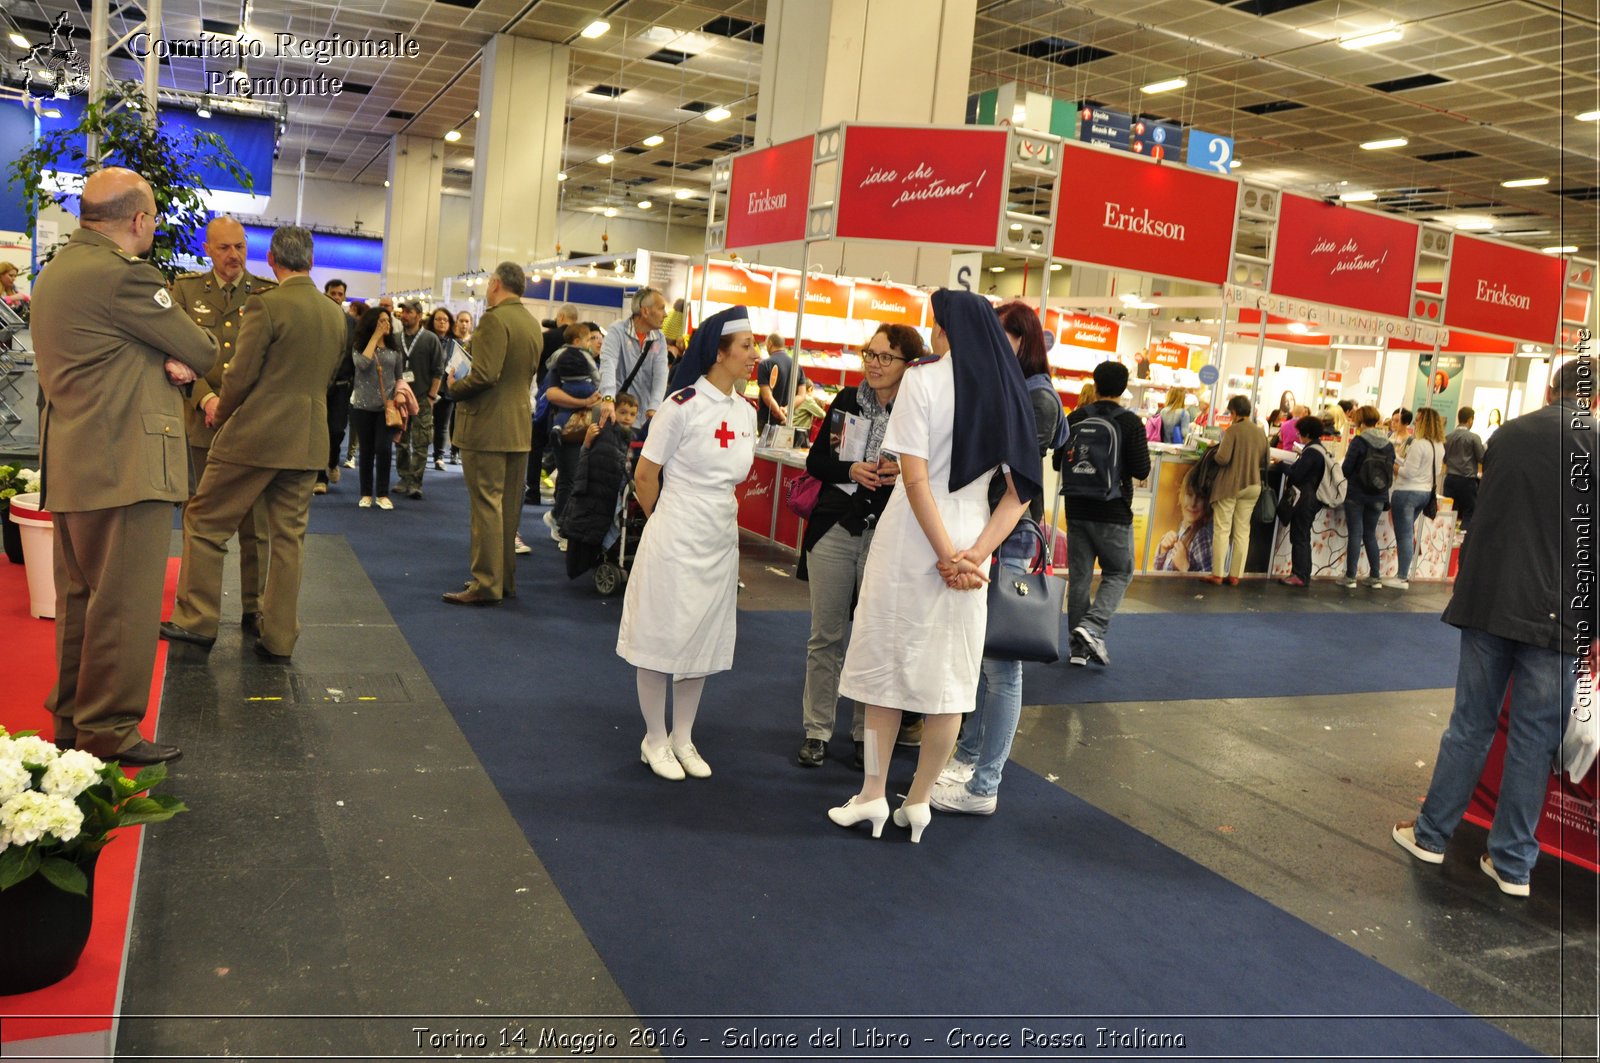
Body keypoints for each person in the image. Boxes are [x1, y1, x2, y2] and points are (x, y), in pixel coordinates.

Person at [827, 289, 1040, 843]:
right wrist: (976, 553)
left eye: (937, 324)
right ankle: (918, 802)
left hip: (912, 536)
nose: (935, 333)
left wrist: (945, 553)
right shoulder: (1008, 387)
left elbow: (915, 478)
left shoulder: (923, 381)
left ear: (949, 328)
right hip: (970, 533)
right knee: (949, 680)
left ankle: (873, 794)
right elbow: (1021, 493)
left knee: (883, 673)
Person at [32, 167, 216, 765]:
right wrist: (178, 359)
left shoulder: (57, 271)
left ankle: (71, 718)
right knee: (125, 605)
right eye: (154, 216)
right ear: (138, 220)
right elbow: (204, 349)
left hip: (76, 460)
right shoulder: (125, 279)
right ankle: (109, 729)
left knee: (82, 600)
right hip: (126, 464)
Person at [1392, 358, 1594, 898]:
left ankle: (1432, 835)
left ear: (1552, 389)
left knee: (1471, 724)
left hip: (1490, 602)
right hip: (1559, 617)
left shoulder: (1507, 435)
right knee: (1535, 739)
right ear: (1594, 400)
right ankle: (1513, 865)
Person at [160, 227, 347, 661]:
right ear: (312, 262)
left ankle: (197, 620)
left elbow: (241, 376)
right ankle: (279, 635)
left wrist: (220, 416)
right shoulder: (335, 313)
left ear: (272, 259)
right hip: (307, 440)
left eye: (240, 247)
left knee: (204, 521)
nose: (233, 254)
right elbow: (331, 375)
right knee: (288, 538)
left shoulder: (266, 304)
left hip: (253, 437)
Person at [617, 306, 760, 781]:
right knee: (661, 633)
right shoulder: (681, 406)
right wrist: (666, 520)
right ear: (718, 352)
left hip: (720, 535)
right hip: (676, 530)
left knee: (702, 638)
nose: (754, 355)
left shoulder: (746, 412)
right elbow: (644, 475)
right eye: (745, 346)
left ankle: (684, 737)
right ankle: (654, 738)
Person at [931, 300, 1061, 816]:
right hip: (988, 535)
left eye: (1002, 334)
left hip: (1007, 540)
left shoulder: (1036, 398)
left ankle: (985, 784)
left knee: (1002, 666)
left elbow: (1014, 483)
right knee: (983, 661)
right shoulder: (1017, 390)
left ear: (1023, 340)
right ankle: (967, 758)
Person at [796, 324, 921, 770]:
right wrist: (853, 470)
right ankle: (816, 731)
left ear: (908, 364)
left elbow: (931, 475)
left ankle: (865, 734)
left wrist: (901, 475)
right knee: (824, 635)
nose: (874, 363)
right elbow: (817, 461)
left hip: (889, 533)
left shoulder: (916, 410)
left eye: (885, 356)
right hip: (834, 527)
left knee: (873, 637)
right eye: (870, 353)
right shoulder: (847, 401)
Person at [169, 216, 275, 633]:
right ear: (208, 250)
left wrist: (235, 403)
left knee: (256, 522)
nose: (234, 255)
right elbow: (175, 350)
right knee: (200, 518)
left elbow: (268, 361)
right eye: (225, 248)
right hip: (202, 422)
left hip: (249, 425)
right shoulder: (186, 290)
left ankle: (255, 607)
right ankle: (196, 613)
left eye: (240, 247)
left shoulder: (268, 293)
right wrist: (207, 397)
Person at [443, 261, 538, 605]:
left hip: (486, 427)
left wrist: (454, 386)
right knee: (508, 509)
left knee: (486, 506)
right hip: (518, 426)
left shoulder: (495, 320)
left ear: (496, 283)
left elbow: (484, 376)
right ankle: (504, 580)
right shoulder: (530, 323)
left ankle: (485, 584)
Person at [1064, 361, 1151, 667]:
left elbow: (1056, 464)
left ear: (1095, 383)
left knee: (1079, 577)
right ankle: (1092, 627)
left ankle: (1078, 650)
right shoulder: (1130, 423)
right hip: (1113, 509)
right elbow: (1142, 469)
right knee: (1119, 571)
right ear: (1124, 387)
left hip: (1075, 507)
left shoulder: (1075, 417)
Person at [544, 322, 603, 529]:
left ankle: (560, 517)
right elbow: (552, 394)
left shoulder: (600, 366)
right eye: (593, 338)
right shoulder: (566, 360)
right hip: (570, 431)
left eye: (598, 338)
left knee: (579, 479)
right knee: (570, 478)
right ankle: (562, 524)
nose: (598, 342)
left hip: (591, 428)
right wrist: (584, 402)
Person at [1204, 395, 1268, 586]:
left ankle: (1217, 574)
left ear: (1234, 412)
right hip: (1253, 485)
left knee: (1222, 529)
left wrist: (1213, 450)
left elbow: (1222, 459)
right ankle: (1235, 575)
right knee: (1242, 531)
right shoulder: (1260, 432)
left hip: (1231, 485)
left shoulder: (1232, 431)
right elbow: (1264, 459)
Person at [348, 306, 403, 509]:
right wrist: (375, 337)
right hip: (362, 406)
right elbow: (362, 364)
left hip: (386, 407)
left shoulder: (394, 348)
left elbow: (399, 376)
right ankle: (365, 493)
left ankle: (382, 493)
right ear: (372, 323)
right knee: (367, 450)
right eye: (381, 320)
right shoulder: (359, 345)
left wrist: (399, 394)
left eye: (387, 320)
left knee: (384, 448)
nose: (386, 324)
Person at [1387, 405, 1445, 590]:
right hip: (1425, 493)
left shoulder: (1419, 444)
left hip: (1407, 492)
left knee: (1404, 534)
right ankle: (1403, 573)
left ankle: (1402, 576)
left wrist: (1392, 464)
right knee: (1408, 533)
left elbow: (1408, 472)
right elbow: (1430, 471)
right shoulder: (1439, 446)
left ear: (1424, 422)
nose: (1415, 421)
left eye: (1418, 419)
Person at [393, 300, 445, 500]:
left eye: (409, 312)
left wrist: (432, 397)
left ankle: (416, 482)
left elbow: (438, 371)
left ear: (419, 315)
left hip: (422, 398)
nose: (404, 315)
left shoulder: (430, 339)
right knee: (401, 441)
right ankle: (403, 478)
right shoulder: (396, 339)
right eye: (403, 311)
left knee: (421, 442)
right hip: (400, 398)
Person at [1340, 405, 1396, 588]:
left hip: (1357, 493)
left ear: (1361, 422)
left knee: (1355, 533)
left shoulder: (1358, 441)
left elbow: (1346, 468)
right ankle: (1375, 577)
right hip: (1379, 495)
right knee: (1370, 534)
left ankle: (1350, 577)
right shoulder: (1388, 444)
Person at [597, 287, 668, 427]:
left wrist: (654, 407)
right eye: (661, 308)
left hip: (643, 418)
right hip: (616, 414)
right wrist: (608, 397)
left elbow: (661, 374)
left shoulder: (659, 338)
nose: (665, 314)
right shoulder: (617, 331)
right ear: (645, 311)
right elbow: (608, 363)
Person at [315, 278, 356, 495]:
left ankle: (332, 462)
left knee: (337, 430)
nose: (337, 297)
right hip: (320, 383)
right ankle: (320, 477)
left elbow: (356, 354)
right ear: (326, 293)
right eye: (333, 293)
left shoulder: (351, 323)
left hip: (343, 385)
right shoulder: (317, 319)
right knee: (320, 430)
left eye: (340, 294)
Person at [1280, 414, 1328, 587]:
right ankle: (1303, 574)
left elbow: (1297, 474)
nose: (1299, 436)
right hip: (1313, 499)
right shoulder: (1320, 449)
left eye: (1300, 433)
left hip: (1304, 499)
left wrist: (1281, 465)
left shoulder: (1311, 452)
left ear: (1306, 433)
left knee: (1299, 536)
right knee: (1304, 536)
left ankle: (1299, 574)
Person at [1153, 465, 1213, 575]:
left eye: (1200, 497)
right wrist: (1163, 550)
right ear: (1181, 495)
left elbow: (1207, 589)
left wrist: (1185, 567)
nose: (1193, 503)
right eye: (1189, 494)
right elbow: (1158, 572)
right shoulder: (1183, 527)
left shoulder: (1202, 537)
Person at [430, 307, 463, 469]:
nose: (442, 322)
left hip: (447, 390)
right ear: (432, 321)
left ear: (450, 323)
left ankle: (439, 456)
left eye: (445, 319)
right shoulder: (427, 338)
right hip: (428, 389)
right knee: (422, 424)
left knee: (442, 425)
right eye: (438, 319)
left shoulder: (456, 343)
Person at [1443, 406, 1486, 529]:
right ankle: (1463, 539)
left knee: (1448, 511)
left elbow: (1444, 458)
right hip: (1467, 479)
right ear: (1470, 420)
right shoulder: (1474, 438)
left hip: (1450, 478)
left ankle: (1445, 538)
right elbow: (1481, 457)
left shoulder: (1448, 437)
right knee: (1469, 511)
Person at [757, 333, 799, 432]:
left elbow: (767, 396)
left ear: (770, 344)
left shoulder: (765, 364)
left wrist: (779, 414)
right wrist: (786, 410)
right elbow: (802, 395)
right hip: (787, 419)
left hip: (767, 420)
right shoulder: (796, 365)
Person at [540, 303, 578, 387]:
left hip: (546, 386)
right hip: (571, 387)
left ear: (561, 316)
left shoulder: (546, 336)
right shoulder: (580, 340)